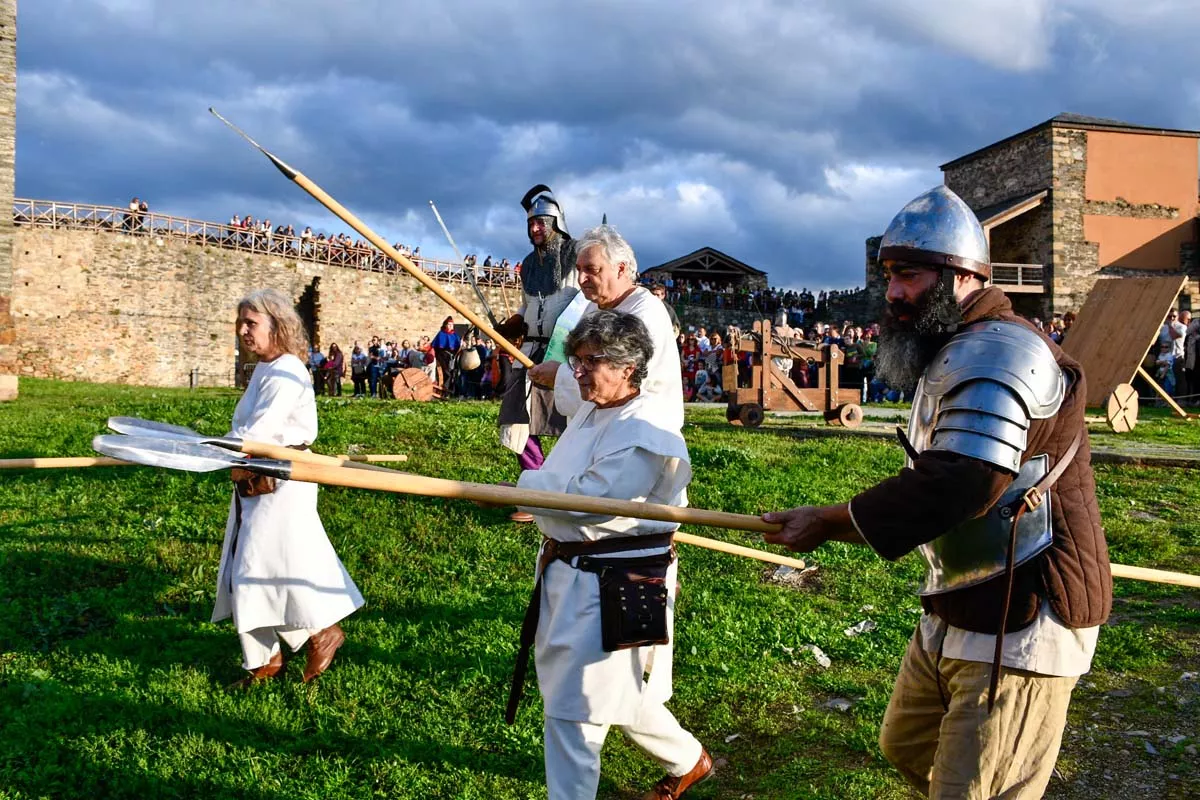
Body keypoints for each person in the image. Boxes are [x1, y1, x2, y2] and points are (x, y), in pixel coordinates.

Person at [760, 186, 1111, 799]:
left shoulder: (1005, 352)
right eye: (890, 274)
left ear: (963, 276)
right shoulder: (953, 347)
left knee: (977, 788)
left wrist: (830, 521)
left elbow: (964, 481)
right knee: (909, 744)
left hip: (1023, 607)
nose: (893, 291)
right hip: (963, 591)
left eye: (910, 274)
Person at [505, 310, 713, 800]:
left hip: (614, 583)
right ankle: (689, 760)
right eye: (575, 362)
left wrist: (526, 486)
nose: (576, 373)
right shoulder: (596, 408)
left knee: (574, 709)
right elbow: (566, 491)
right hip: (574, 575)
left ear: (627, 366)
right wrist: (543, 490)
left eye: (587, 362)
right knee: (616, 690)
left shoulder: (646, 432)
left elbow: (586, 506)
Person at [216, 288, 363, 688]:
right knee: (254, 569)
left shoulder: (287, 369)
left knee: (257, 571)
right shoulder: (265, 367)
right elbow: (250, 430)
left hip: (282, 480)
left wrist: (218, 450)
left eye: (252, 323)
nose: (244, 330)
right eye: (241, 323)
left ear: (276, 326)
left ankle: (316, 633)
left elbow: (261, 429)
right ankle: (268, 657)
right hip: (258, 475)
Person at [528, 225, 684, 431]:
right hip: (600, 427)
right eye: (579, 269)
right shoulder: (594, 307)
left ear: (620, 268)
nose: (581, 279)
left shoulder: (645, 314)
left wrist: (559, 376)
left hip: (636, 431)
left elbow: (615, 380)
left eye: (591, 270)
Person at [496, 185, 582, 522]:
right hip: (530, 351)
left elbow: (583, 301)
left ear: (556, 222)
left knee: (563, 423)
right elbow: (528, 306)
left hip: (564, 350)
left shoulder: (575, 254)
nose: (534, 229)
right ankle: (533, 488)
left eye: (540, 222)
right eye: (530, 223)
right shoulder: (530, 264)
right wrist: (512, 325)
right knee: (518, 419)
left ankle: (559, 491)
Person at [432, 316, 462, 396]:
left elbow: (458, 346)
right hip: (442, 356)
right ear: (445, 325)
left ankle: (448, 391)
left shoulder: (455, 335)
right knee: (446, 373)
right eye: (449, 324)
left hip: (451, 357)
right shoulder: (441, 334)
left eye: (452, 324)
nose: (451, 326)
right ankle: (443, 389)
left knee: (452, 374)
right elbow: (435, 346)